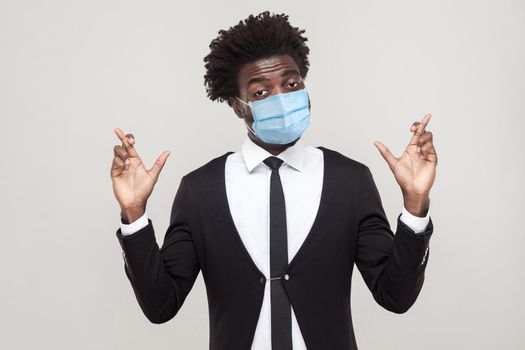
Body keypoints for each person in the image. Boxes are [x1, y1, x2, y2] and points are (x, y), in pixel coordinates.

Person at [110, 11, 437, 350]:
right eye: (262, 92)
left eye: (291, 84)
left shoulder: (349, 181)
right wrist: (134, 215)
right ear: (238, 107)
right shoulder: (201, 191)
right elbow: (161, 305)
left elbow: (395, 296)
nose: (282, 98)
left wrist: (415, 204)